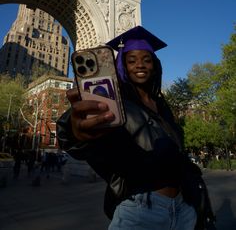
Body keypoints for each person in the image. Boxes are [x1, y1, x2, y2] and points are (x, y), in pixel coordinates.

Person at [57, 25, 215, 230]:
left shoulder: (163, 105)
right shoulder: (115, 100)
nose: (140, 65)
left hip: (184, 209)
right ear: (122, 65)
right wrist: (76, 130)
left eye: (146, 60)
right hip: (140, 208)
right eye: (131, 60)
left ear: (155, 65)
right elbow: (71, 130)